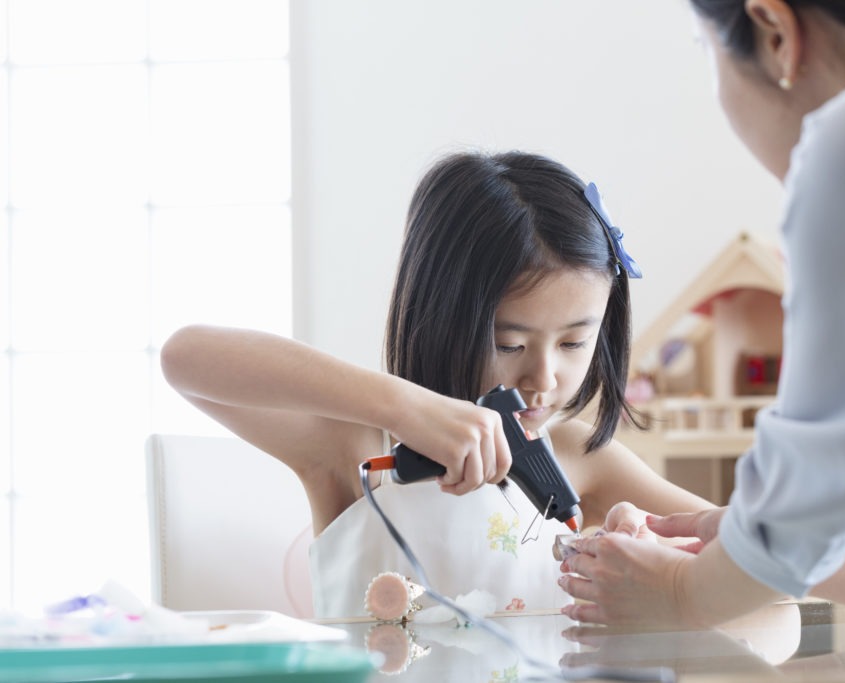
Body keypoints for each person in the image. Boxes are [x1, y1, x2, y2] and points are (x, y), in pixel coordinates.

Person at [558, 0, 845, 626]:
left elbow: (804, 503)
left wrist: (685, 589)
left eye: (707, 52)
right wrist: (734, 551)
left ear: (774, 30)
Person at [160, 150, 713, 618]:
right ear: (441, 316)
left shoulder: (578, 457)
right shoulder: (357, 447)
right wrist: (403, 408)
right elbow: (185, 358)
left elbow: (757, 561)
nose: (543, 378)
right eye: (509, 344)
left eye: (573, 344)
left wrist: (657, 568)